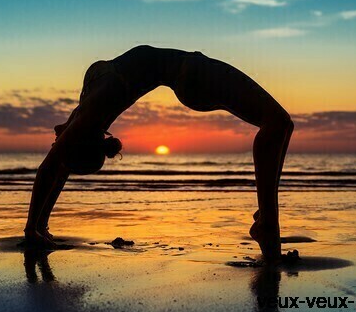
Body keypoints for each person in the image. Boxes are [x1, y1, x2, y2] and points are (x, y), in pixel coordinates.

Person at [24, 45, 294, 260]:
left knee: (281, 124)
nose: (55, 140)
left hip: (189, 76)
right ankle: (268, 224)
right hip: (191, 72)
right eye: (60, 141)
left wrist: (39, 226)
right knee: (277, 122)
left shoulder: (87, 115)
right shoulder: (95, 108)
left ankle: (267, 220)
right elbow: (53, 165)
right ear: (78, 139)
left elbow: (58, 165)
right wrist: (31, 229)